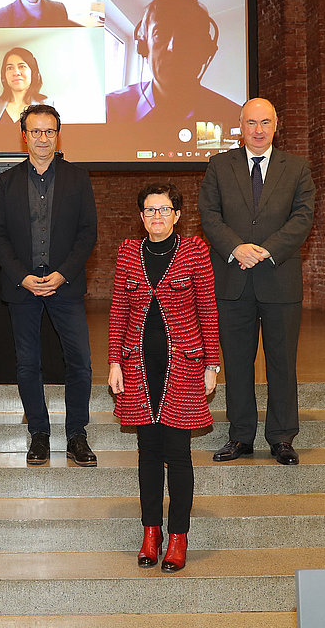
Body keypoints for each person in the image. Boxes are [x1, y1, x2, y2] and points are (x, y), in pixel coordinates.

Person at [108, 182, 220, 573]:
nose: (156, 217)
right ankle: (150, 533)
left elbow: (207, 307)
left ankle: (178, 537)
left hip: (184, 365)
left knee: (179, 453)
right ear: (141, 217)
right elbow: (119, 308)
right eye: (149, 210)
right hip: (139, 365)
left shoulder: (194, 250)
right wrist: (114, 361)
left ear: (176, 215)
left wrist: (211, 364)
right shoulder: (128, 252)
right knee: (148, 454)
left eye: (164, 210)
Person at [197, 98, 315, 465]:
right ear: (240, 126)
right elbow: (209, 215)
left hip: (279, 279)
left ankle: (282, 438)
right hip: (234, 280)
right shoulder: (219, 166)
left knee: (282, 362)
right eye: (252, 123)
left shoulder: (297, 168)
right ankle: (240, 436)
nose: (259, 130)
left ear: (276, 125)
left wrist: (264, 250)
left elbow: (303, 217)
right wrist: (237, 248)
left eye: (266, 122)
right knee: (236, 361)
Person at [0, 104, 99, 467]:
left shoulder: (78, 178)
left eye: (49, 132)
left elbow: (87, 234)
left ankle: (76, 435)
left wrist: (63, 273)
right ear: (24, 135)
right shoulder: (7, 181)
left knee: (80, 363)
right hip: (23, 288)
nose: (42, 138)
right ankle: (39, 433)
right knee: (28, 364)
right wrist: (22, 276)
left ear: (57, 135)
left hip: (64, 285)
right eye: (35, 132)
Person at [105, 0, 241, 146]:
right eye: (160, 33)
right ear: (143, 47)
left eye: (187, 35)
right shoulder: (109, 109)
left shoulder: (235, 120)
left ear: (205, 51)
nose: (173, 48)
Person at [0, 47, 54, 125]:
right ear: (4, 75)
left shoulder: (49, 106)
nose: (16, 72)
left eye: (22, 66)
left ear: (33, 73)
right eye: (10, 68)